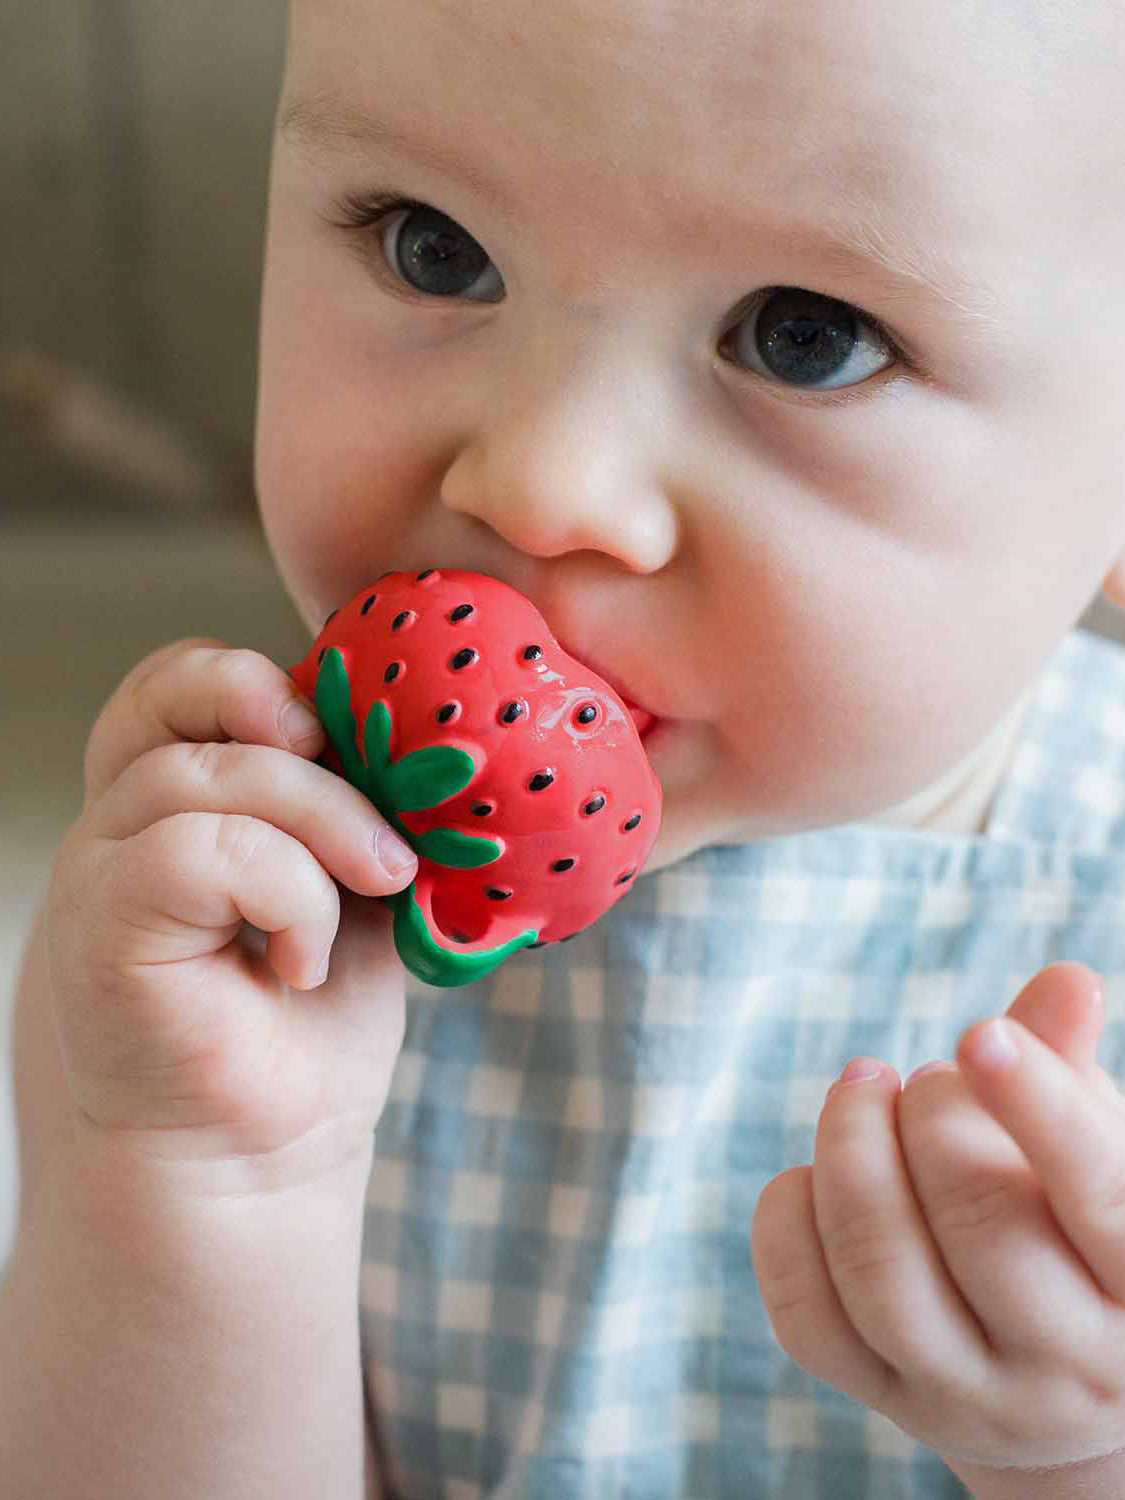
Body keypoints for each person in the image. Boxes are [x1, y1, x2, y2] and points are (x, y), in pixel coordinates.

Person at [4, 0, 1125, 1493]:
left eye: (807, 339)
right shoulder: (241, 895)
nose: (540, 481)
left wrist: (1071, 1451)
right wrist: (196, 1184)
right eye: (433, 246)